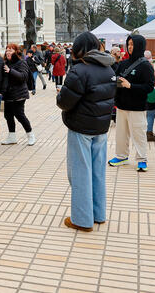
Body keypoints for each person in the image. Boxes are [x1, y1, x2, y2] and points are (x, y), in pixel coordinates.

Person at [57, 31, 116, 232]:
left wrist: (60, 96)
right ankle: (98, 214)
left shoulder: (79, 70)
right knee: (98, 172)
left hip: (81, 127)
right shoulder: (109, 68)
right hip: (101, 127)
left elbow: (64, 102)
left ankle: (82, 219)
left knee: (80, 173)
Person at [107, 36, 155, 172]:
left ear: (140, 45)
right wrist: (115, 81)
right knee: (121, 134)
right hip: (121, 106)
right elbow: (114, 78)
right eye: (128, 44)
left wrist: (130, 85)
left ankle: (142, 159)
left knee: (138, 134)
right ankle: (121, 156)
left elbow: (149, 87)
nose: (130, 47)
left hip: (137, 107)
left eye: (133, 44)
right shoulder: (123, 63)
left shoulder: (146, 66)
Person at [1, 44, 36, 146]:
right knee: (8, 115)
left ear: (16, 52)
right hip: (8, 94)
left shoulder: (21, 62)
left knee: (19, 115)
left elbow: (23, 76)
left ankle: (30, 135)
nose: (8, 52)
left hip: (19, 94)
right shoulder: (5, 63)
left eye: (10, 50)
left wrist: (10, 71)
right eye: (7, 50)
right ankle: (12, 137)